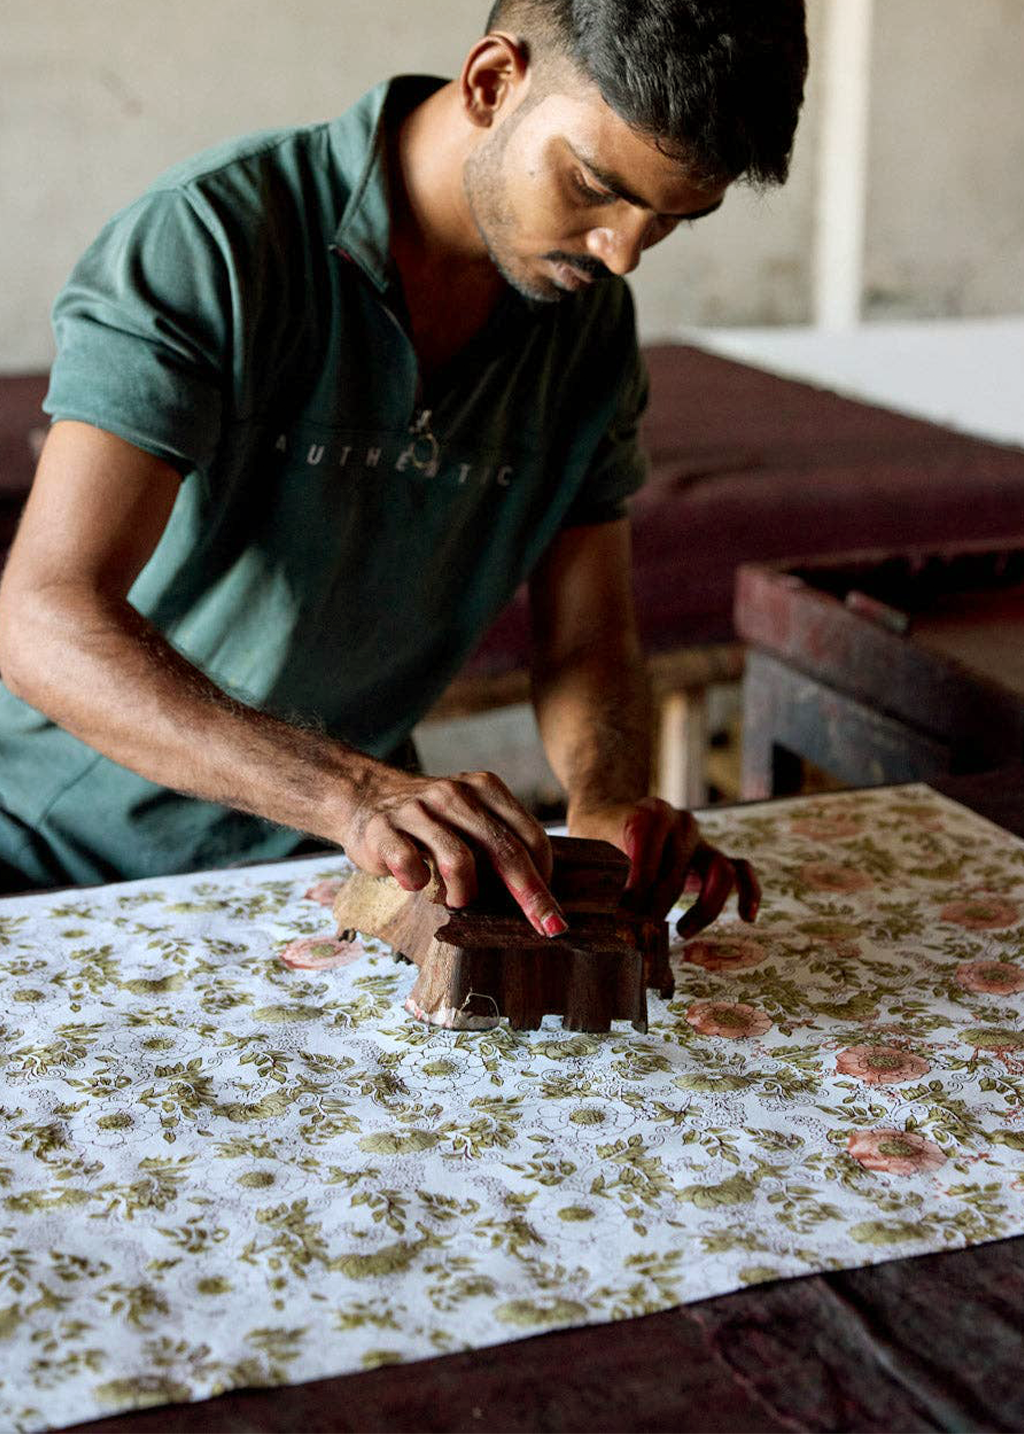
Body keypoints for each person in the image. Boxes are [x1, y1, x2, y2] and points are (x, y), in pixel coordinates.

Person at [0, 0, 806, 939]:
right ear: (493, 82)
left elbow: (585, 643)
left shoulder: (587, 326)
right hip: (58, 865)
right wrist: (353, 791)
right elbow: (44, 620)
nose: (623, 251)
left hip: (342, 880)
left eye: (673, 219)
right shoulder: (213, 240)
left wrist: (606, 797)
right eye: (594, 185)